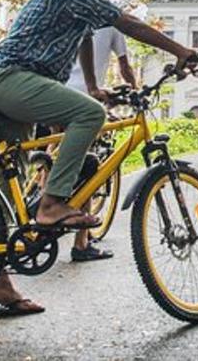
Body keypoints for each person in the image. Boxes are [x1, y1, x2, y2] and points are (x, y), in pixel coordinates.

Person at [0, 0, 198, 317]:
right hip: (11, 79)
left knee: (10, 194)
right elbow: (126, 23)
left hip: (10, 80)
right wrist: (180, 50)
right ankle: (54, 203)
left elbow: (82, 38)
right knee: (89, 115)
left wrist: (95, 86)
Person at [65, 26, 136, 263]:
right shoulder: (114, 25)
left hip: (57, 90)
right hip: (86, 98)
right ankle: (81, 243)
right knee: (88, 166)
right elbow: (124, 66)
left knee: (53, 152)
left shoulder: (75, 16)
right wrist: (135, 90)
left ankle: (43, 196)